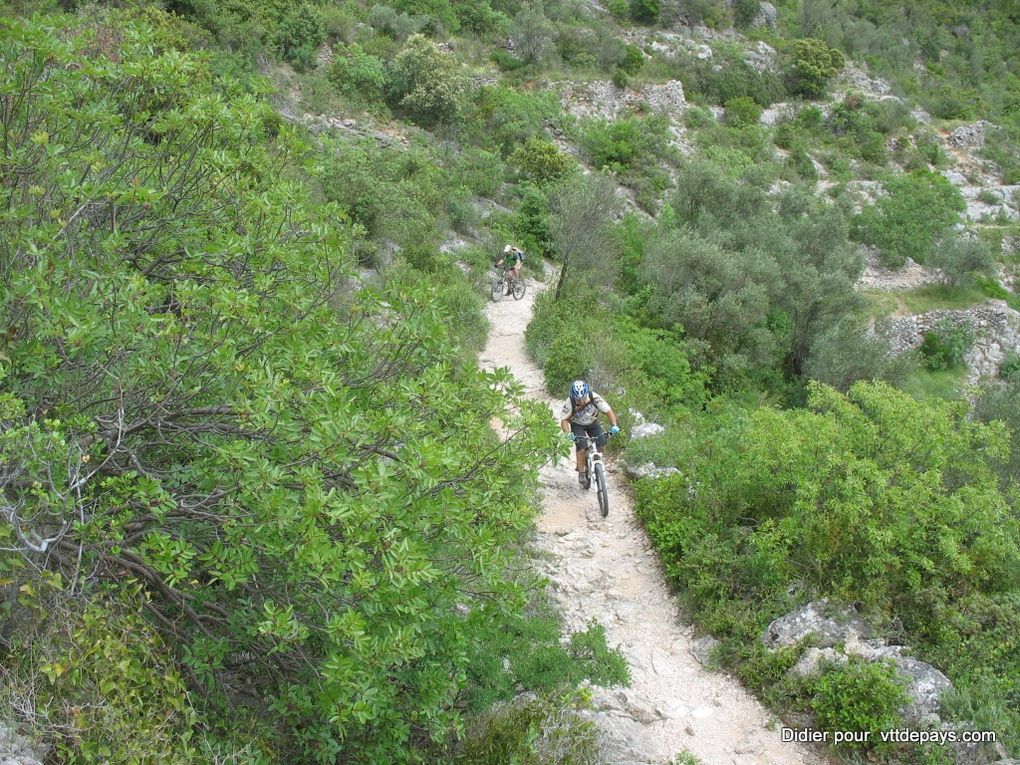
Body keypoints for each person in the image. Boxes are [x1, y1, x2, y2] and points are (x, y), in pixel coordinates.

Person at [559, 379, 620, 488]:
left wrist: (614, 425)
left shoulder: (594, 397)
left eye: (582, 398)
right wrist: (568, 433)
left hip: (592, 423)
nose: (580, 401)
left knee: (601, 441)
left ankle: (597, 463)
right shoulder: (570, 402)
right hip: (577, 424)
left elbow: (608, 411)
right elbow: (564, 420)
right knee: (581, 447)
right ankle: (582, 472)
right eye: (578, 399)